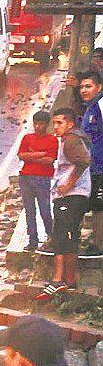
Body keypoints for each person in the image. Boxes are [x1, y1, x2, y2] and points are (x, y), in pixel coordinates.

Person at [36, 108, 92, 299]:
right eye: (55, 123)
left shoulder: (71, 140)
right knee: (70, 237)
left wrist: (67, 184)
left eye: (60, 123)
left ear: (70, 124)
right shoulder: (74, 139)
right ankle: (69, 281)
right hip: (75, 196)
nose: (55, 127)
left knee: (60, 237)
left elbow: (84, 161)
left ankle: (57, 280)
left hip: (71, 197)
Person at [17, 110, 57, 252]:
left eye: (41, 124)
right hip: (25, 178)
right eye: (35, 124)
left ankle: (51, 237)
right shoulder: (27, 138)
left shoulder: (52, 139)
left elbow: (50, 160)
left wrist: (31, 155)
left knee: (45, 210)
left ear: (47, 124)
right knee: (29, 211)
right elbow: (21, 155)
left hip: (43, 179)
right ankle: (32, 240)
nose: (38, 127)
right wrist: (40, 154)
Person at [78, 71, 103, 255]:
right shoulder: (90, 108)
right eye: (81, 87)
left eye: (88, 86)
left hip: (100, 168)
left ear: (99, 87)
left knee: (99, 206)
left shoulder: (100, 105)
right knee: (94, 205)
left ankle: (99, 246)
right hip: (91, 168)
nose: (84, 90)